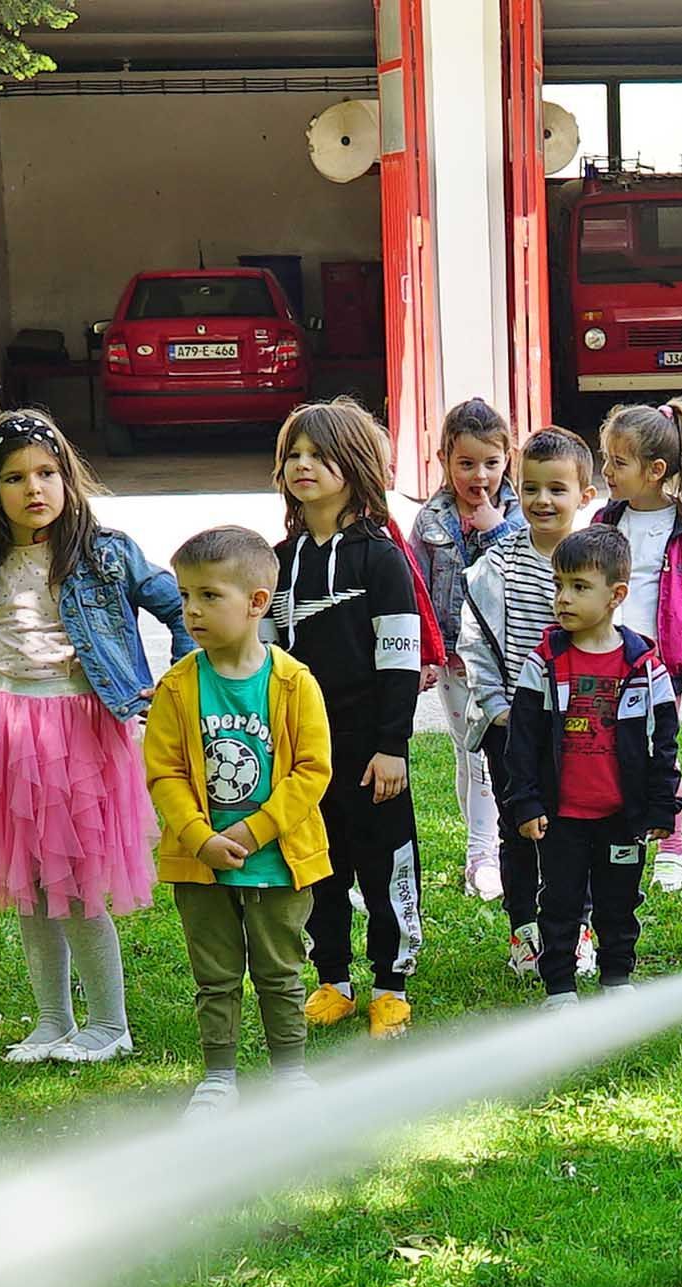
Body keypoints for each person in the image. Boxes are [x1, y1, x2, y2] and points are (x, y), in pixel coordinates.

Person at [0, 409, 189, 1065]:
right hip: (6, 730)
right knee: (30, 886)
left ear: (68, 476)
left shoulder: (102, 553)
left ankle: (110, 1024)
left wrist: (178, 681)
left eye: (48, 472)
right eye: (15, 477)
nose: (35, 487)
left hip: (77, 733)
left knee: (78, 886)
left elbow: (176, 603)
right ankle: (53, 1019)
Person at [147, 525, 334, 1118]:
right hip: (201, 868)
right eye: (185, 596)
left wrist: (254, 832)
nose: (192, 611)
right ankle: (219, 1077)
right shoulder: (178, 686)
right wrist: (199, 838)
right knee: (216, 976)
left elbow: (312, 771)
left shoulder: (293, 683)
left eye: (209, 596)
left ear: (257, 603)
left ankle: (291, 1073)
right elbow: (165, 773)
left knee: (281, 971)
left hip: (279, 860)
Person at [270, 398, 426, 1038]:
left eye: (317, 454)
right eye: (293, 455)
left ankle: (390, 983)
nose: (302, 465)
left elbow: (400, 660)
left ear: (355, 466)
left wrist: (392, 744)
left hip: (371, 751)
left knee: (384, 866)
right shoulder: (277, 560)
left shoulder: (382, 559)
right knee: (317, 867)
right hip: (300, 755)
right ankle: (332, 979)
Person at [500, 524, 680, 1009]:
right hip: (562, 819)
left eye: (579, 587)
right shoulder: (544, 662)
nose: (563, 598)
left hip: (622, 817)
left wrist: (662, 807)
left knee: (619, 902)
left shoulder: (644, 666)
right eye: (559, 584)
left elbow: (664, 743)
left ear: (616, 594)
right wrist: (527, 802)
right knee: (559, 902)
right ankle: (560, 988)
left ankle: (616, 978)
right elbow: (522, 742)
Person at [457, 424, 599, 980]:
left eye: (557, 489)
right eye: (532, 488)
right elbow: (477, 645)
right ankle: (525, 933)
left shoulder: (596, 565)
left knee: (577, 832)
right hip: (514, 728)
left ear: (584, 497)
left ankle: (576, 931)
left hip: (582, 729)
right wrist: (496, 711)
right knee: (522, 831)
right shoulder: (496, 566)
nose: (543, 501)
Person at [594, 400, 682, 894]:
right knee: (607, 750)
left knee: (658, 753)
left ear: (655, 470)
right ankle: (619, 838)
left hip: (660, 666)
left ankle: (672, 849)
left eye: (618, 463)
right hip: (608, 657)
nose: (606, 471)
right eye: (606, 459)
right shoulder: (607, 518)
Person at [412, 398, 520, 899]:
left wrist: (494, 525)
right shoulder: (431, 521)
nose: (480, 476)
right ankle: (480, 852)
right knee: (469, 750)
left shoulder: (517, 511)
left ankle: (501, 843)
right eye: (466, 464)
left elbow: (525, 565)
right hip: (455, 657)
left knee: (501, 748)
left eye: (492, 463)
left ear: (508, 460)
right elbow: (416, 589)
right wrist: (425, 652)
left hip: (504, 656)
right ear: (443, 460)